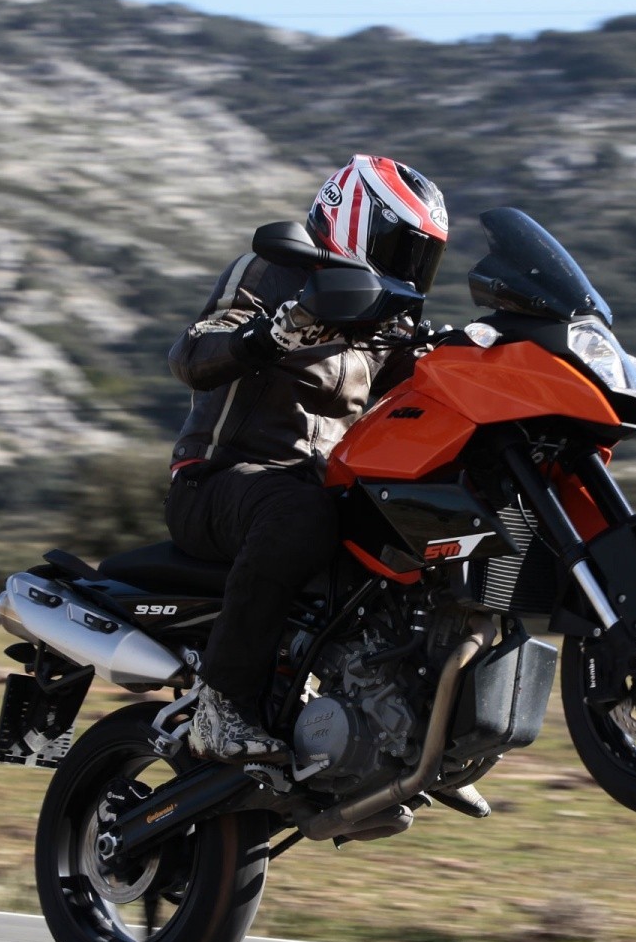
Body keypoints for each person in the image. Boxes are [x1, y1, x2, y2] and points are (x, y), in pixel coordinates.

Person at [166, 155, 449, 763]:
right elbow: (192, 353)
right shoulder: (273, 272)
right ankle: (221, 704)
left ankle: (411, 727)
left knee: (427, 527)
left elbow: (412, 390)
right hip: (218, 482)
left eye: (422, 256)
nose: (410, 270)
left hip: (315, 490)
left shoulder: (385, 322)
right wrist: (271, 332)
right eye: (401, 247)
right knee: (300, 511)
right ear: (356, 220)